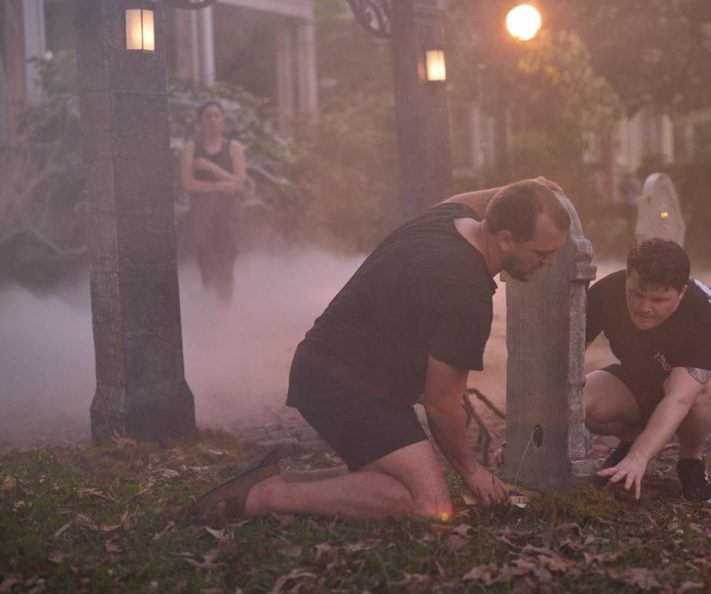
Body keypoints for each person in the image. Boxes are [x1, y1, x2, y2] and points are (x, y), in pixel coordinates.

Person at [195, 179, 570, 521]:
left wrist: (524, 185)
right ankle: (267, 497)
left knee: (386, 477)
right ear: (505, 239)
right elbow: (441, 405)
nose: (549, 262)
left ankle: (281, 480)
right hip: (343, 386)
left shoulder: (448, 216)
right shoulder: (468, 295)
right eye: (542, 252)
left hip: (328, 369)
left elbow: (479, 199)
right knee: (430, 505)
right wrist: (471, 471)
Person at [585, 238, 711, 503]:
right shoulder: (606, 291)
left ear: (681, 293)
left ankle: (691, 462)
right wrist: (529, 429)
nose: (645, 307)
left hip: (709, 386)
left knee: (696, 391)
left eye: (659, 299)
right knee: (579, 400)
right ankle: (636, 441)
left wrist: (641, 459)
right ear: (627, 278)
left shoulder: (702, 311)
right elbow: (564, 359)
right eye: (637, 294)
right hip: (644, 376)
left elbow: (679, 398)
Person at [179, 101, 247, 303]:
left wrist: (210, 167)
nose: (213, 120)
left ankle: (225, 316)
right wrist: (220, 186)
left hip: (228, 217)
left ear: (223, 120)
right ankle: (209, 316)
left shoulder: (234, 148)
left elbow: (239, 184)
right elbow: (188, 183)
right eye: (208, 116)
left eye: (217, 116)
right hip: (203, 217)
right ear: (201, 121)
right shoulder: (191, 148)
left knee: (226, 266)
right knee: (206, 265)